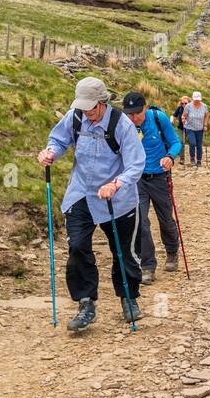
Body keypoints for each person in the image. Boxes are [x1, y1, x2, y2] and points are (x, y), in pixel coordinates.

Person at [36, 77, 146, 332]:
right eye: (83, 107)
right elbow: (59, 140)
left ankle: (128, 298)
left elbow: (135, 164)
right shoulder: (75, 117)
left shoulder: (121, 124)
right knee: (77, 247)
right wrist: (50, 152)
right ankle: (86, 304)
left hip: (117, 198)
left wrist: (116, 184)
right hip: (81, 194)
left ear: (102, 102)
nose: (88, 113)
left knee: (123, 251)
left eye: (92, 108)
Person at [121, 91, 183, 284]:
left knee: (165, 219)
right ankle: (147, 265)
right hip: (137, 180)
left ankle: (172, 251)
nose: (133, 118)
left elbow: (175, 142)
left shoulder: (158, 117)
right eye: (129, 114)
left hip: (159, 177)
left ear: (145, 108)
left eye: (137, 113)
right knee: (141, 222)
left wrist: (170, 157)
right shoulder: (124, 124)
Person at [183, 91, 209, 167]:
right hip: (190, 127)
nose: (197, 100)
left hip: (200, 128)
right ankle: (192, 158)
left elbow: (206, 115)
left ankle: (199, 160)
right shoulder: (188, 106)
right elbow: (184, 115)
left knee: (199, 145)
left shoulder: (204, 106)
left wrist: (205, 125)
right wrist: (183, 119)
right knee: (192, 143)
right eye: (195, 99)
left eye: (198, 99)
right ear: (192, 99)